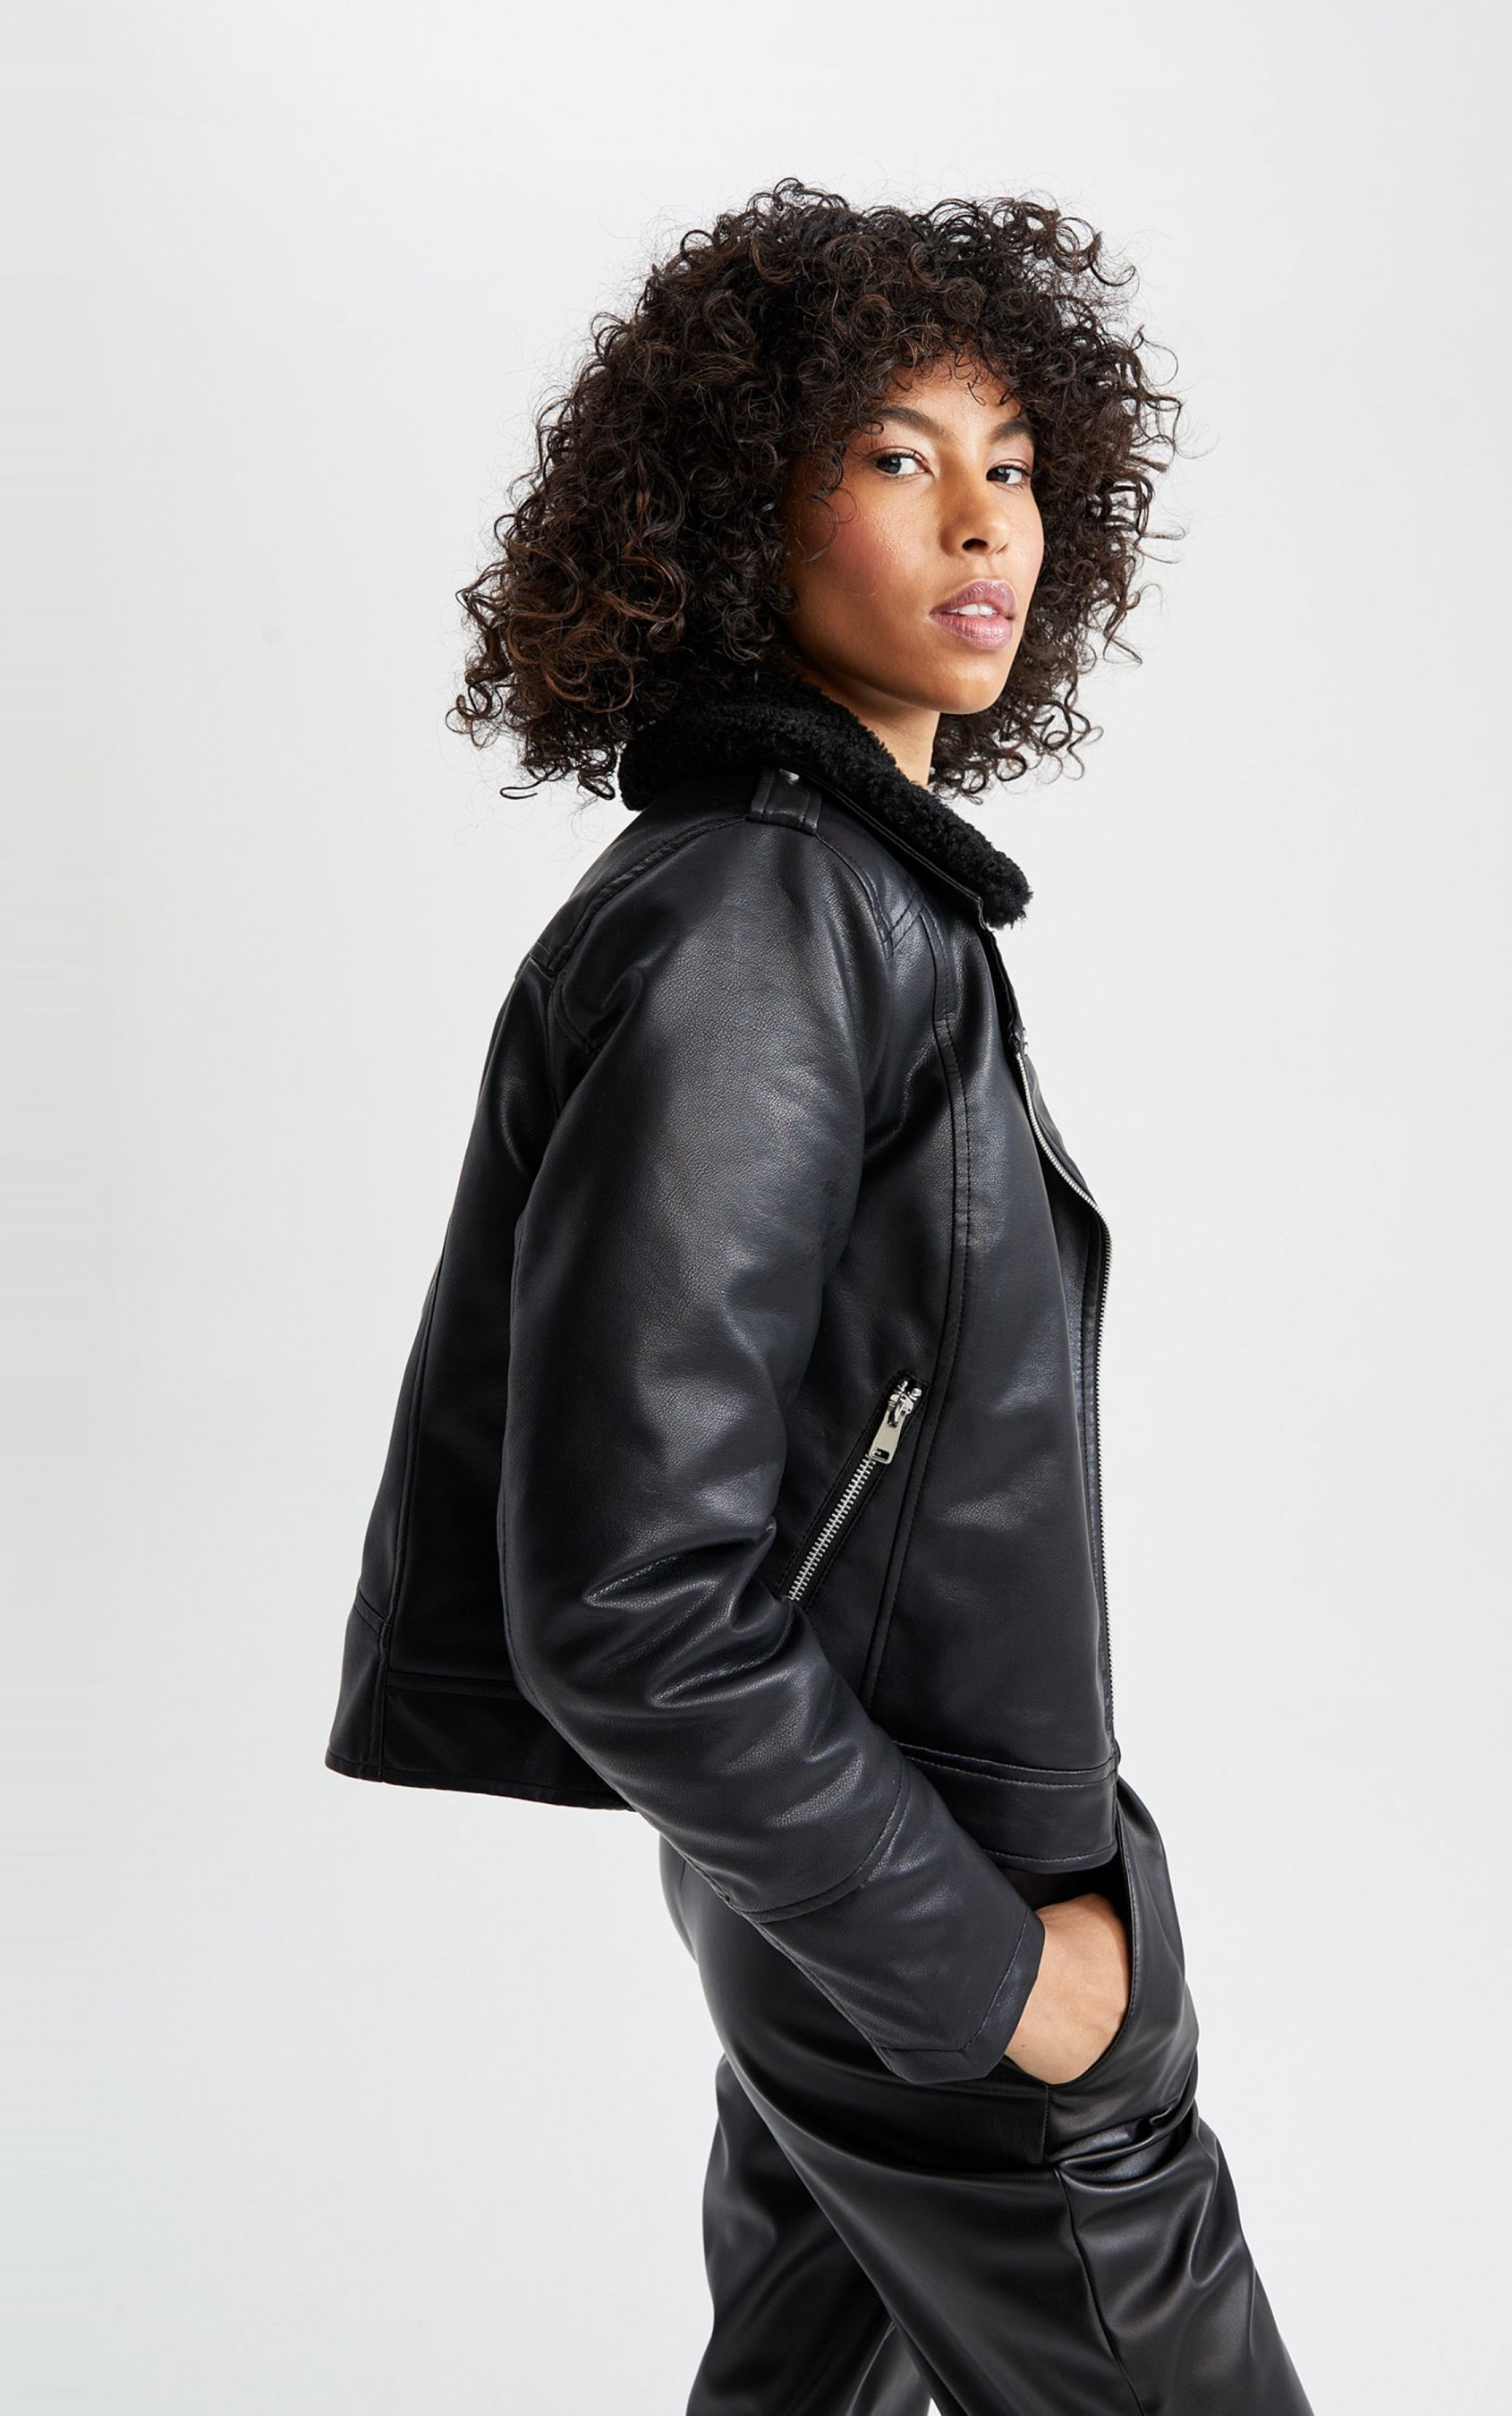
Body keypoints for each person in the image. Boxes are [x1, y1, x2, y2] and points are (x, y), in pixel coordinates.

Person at [325, 179, 1314, 2415]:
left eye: (1014, 464)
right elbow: (625, 1597)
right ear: (727, 513)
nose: (982, 522)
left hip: (878, 1879)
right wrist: (991, 1975)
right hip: (931, 1914)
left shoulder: (847, 896)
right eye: (892, 455)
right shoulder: (766, 924)